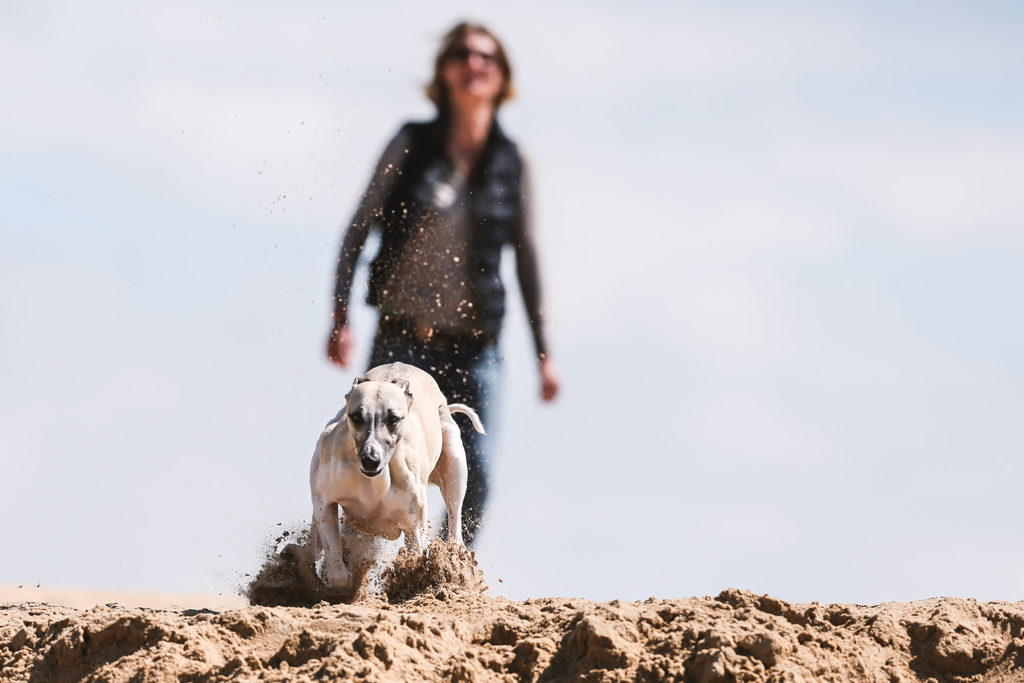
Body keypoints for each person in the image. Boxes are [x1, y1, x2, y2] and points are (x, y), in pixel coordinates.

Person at [326, 22, 559, 546]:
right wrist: (339, 316)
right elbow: (358, 228)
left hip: (477, 348)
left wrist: (545, 354)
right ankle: (353, 579)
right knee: (376, 463)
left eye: (486, 57)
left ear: (502, 78)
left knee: (474, 474)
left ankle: (445, 579)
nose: (474, 63)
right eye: (461, 54)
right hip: (402, 340)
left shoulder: (511, 162)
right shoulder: (412, 143)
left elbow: (527, 259)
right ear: (444, 70)